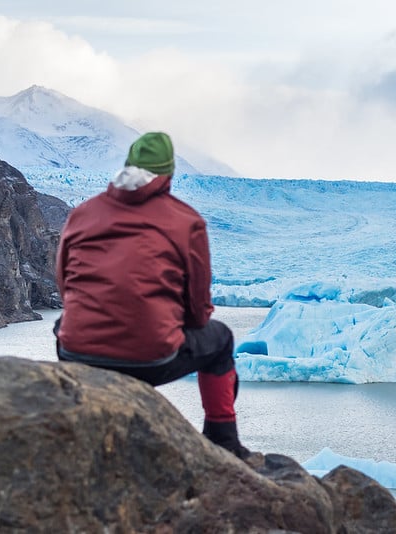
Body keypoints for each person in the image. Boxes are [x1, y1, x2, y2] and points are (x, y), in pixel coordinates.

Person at [54, 131, 250, 459]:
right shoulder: (186, 222)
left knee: (64, 322)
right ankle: (223, 439)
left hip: (77, 354)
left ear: (127, 167)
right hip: (150, 359)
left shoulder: (82, 214)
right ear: (168, 175)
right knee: (220, 340)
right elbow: (199, 309)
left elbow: (65, 285)